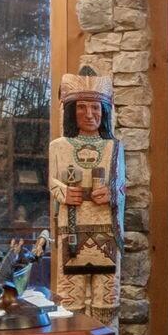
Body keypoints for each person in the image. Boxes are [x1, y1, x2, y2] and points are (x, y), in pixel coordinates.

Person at [48, 66, 123, 321]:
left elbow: (123, 186)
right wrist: (63, 192)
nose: (89, 114)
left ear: (105, 111)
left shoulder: (114, 147)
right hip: (71, 230)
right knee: (70, 302)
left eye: (95, 108)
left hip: (106, 232)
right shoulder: (59, 147)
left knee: (107, 304)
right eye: (81, 107)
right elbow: (51, 181)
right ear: (70, 111)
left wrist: (113, 194)